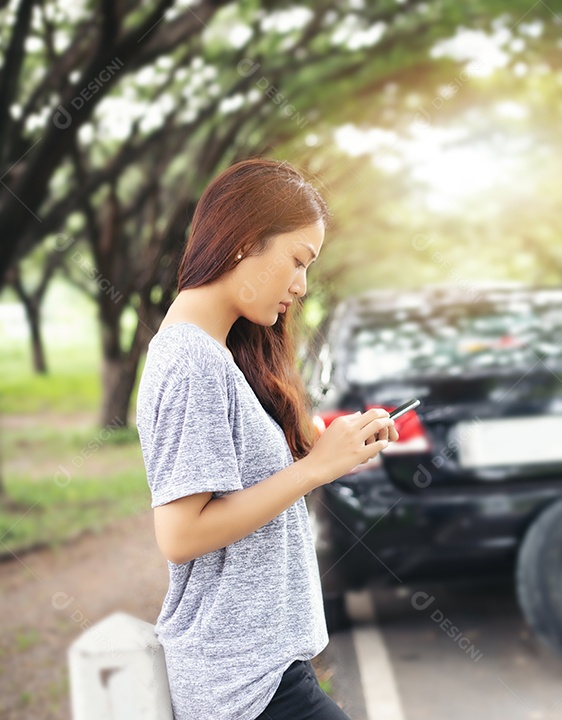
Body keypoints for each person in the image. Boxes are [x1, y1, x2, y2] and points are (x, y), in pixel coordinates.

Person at [135, 158, 398, 720]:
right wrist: (312, 471)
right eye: (298, 262)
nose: (301, 287)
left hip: (265, 673)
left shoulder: (223, 355)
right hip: (243, 685)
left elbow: (252, 476)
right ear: (244, 243)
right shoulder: (191, 361)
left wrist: (339, 443)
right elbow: (180, 534)